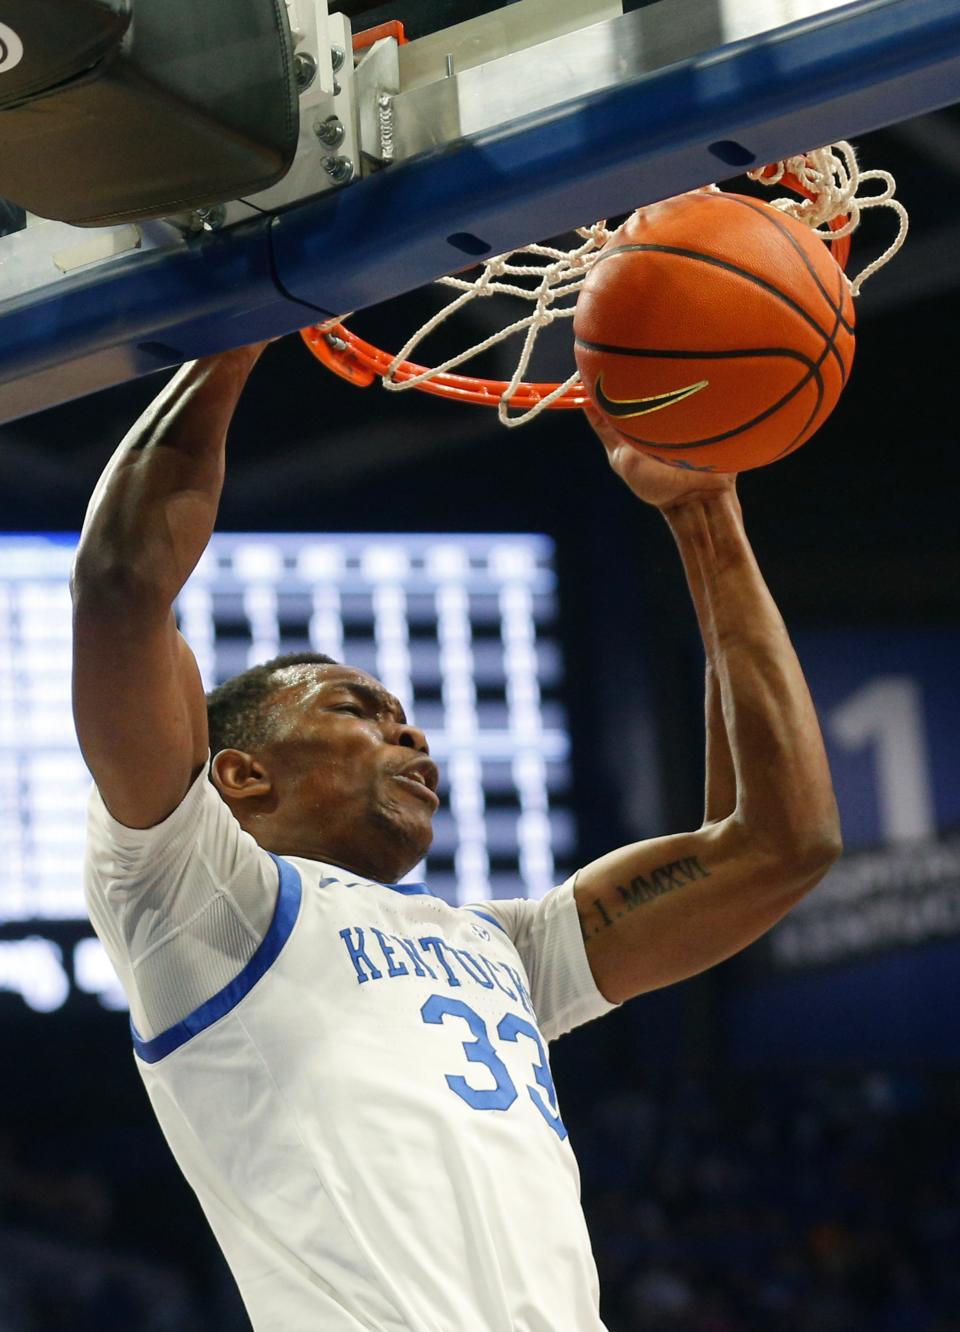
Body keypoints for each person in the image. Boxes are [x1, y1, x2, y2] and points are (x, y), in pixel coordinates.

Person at [72, 343, 841, 1332]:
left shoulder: (499, 947)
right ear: (242, 775)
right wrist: (237, 326)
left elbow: (780, 845)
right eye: (361, 708)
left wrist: (704, 511)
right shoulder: (200, 900)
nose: (414, 731)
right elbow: (122, 585)